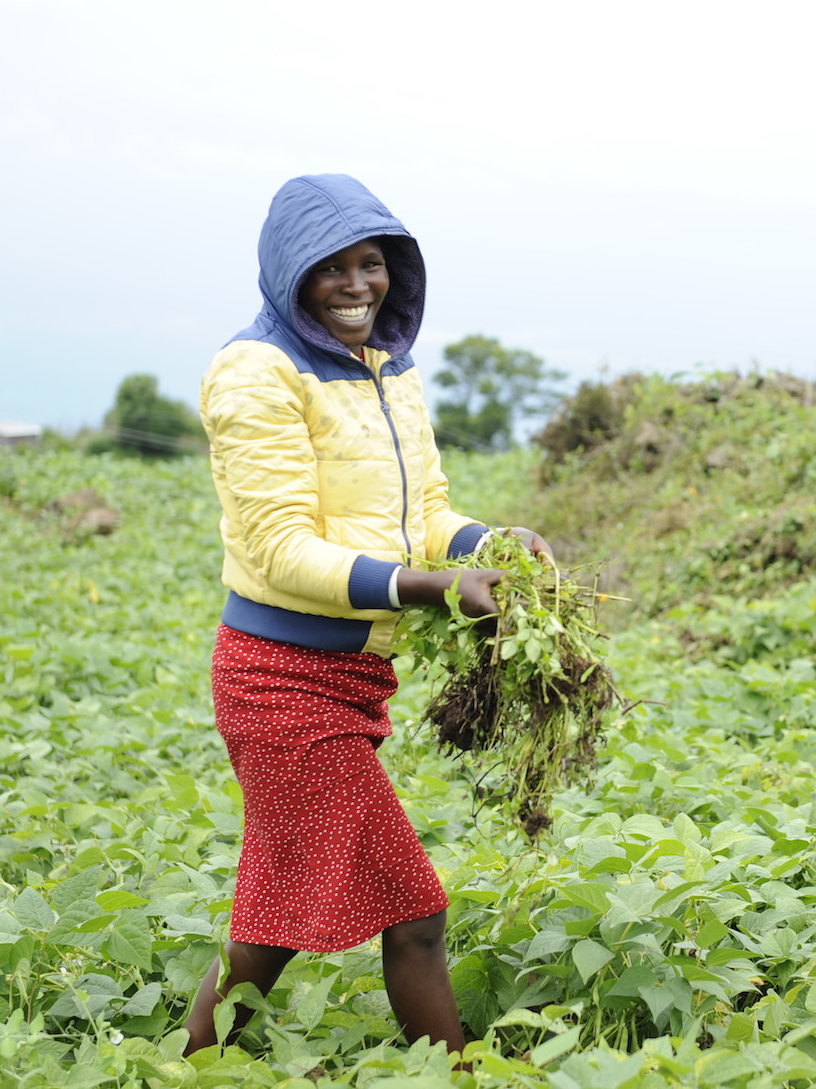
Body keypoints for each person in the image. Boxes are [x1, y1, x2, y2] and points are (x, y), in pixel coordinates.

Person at [181, 173, 552, 1059]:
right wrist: (425, 587)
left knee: (268, 925)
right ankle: (462, 1075)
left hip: (353, 678)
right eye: (331, 269)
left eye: (372, 264)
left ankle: (183, 1064)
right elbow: (280, 549)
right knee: (417, 912)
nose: (357, 286)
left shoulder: (388, 368)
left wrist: (487, 541)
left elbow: (423, 513)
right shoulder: (255, 372)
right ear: (289, 275)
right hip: (281, 684)